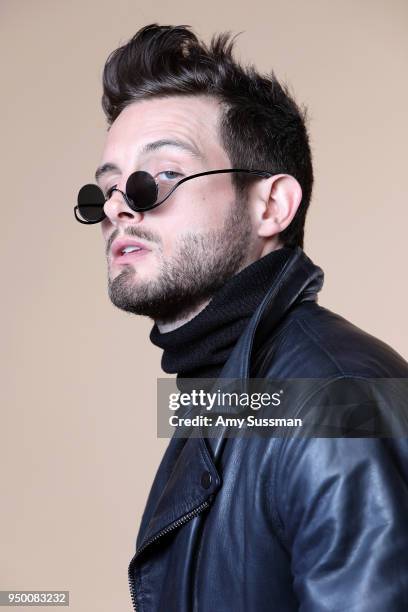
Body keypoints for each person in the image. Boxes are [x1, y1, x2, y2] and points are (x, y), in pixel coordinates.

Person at [75, 24, 408, 612]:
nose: (119, 207)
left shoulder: (335, 399)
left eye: (162, 177)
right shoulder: (226, 392)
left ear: (271, 205)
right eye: (105, 191)